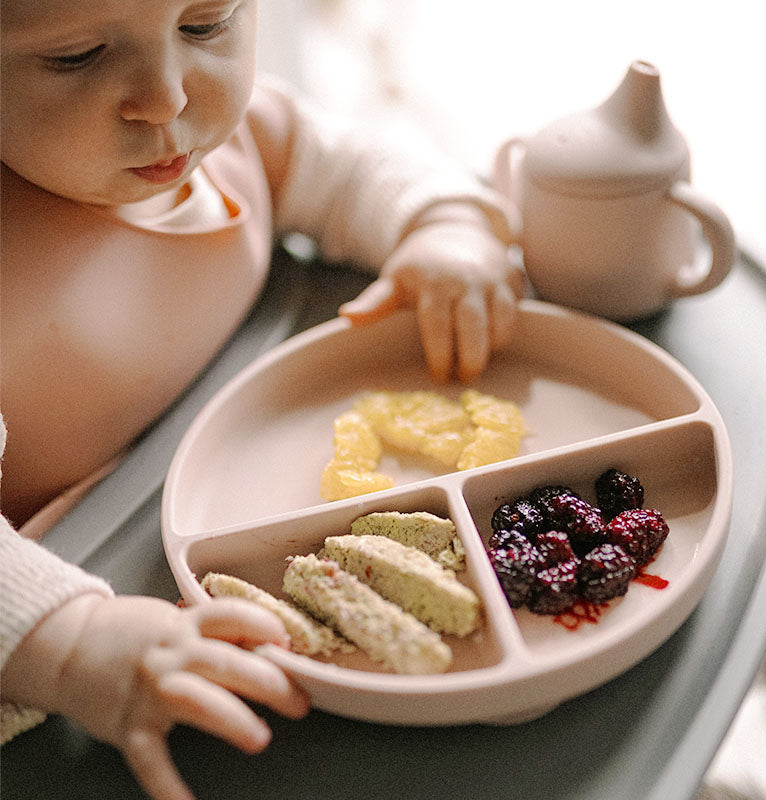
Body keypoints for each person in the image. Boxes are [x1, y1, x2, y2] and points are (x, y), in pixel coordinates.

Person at [0, 0, 523, 798]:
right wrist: (69, 643)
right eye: (76, 57)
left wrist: (443, 223)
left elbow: (344, 161)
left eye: (206, 25)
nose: (168, 96)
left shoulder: (229, 141)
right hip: (86, 584)